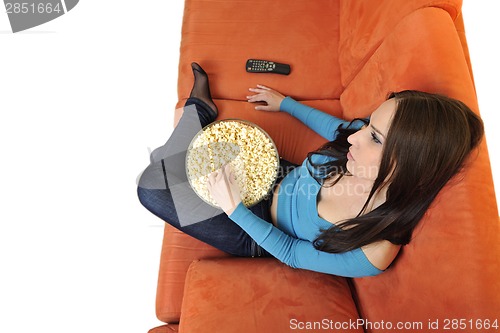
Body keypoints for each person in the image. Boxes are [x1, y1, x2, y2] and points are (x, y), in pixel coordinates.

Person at [137, 62, 484, 278]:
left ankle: (197, 111)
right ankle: (197, 115)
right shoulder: (360, 145)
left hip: (255, 229)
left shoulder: (374, 249)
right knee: (194, 153)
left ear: (411, 166)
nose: (355, 138)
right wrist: (286, 104)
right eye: (369, 125)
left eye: (374, 137)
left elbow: (290, 253)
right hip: (276, 173)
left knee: (151, 184)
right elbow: (341, 129)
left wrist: (233, 208)